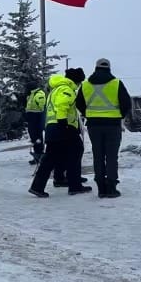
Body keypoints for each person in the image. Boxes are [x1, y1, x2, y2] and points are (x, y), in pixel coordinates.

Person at [29, 68, 93, 197]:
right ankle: (74, 185)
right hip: (62, 127)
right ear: (76, 80)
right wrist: (64, 124)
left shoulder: (56, 89)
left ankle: (40, 185)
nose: (80, 85)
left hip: (52, 128)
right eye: (80, 82)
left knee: (52, 157)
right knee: (76, 151)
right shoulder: (66, 89)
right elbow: (61, 106)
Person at [76, 58, 131, 198]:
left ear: (96, 68)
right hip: (112, 125)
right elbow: (126, 103)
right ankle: (111, 187)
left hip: (94, 125)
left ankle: (101, 187)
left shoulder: (85, 85)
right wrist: (119, 115)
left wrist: (88, 114)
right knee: (112, 156)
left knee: (98, 155)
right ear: (109, 68)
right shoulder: (116, 83)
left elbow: (79, 103)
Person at [24, 81, 47, 165]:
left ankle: (40, 155)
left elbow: (41, 107)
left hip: (36, 118)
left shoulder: (39, 94)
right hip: (32, 118)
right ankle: (37, 155)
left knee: (37, 137)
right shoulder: (31, 94)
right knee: (34, 138)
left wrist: (34, 113)